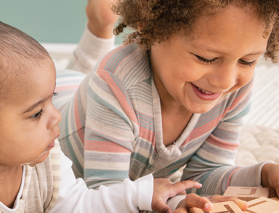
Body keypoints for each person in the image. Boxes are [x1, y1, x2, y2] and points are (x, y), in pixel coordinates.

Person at [0, 14, 214, 213]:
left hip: (74, 90)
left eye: (51, 102)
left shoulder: (47, 157)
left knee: (75, 76)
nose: (55, 117)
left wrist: (139, 194)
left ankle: (98, 33)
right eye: (36, 114)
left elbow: (78, 206)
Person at [57, 0, 279, 212]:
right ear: (151, 25)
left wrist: (264, 174)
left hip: (90, 90)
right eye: (206, 57)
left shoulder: (234, 89)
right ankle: (100, 30)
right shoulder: (113, 86)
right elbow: (108, 197)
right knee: (71, 77)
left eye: (247, 61)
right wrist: (173, 204)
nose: (226, 81)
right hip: (57, 97)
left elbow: (202, 178)